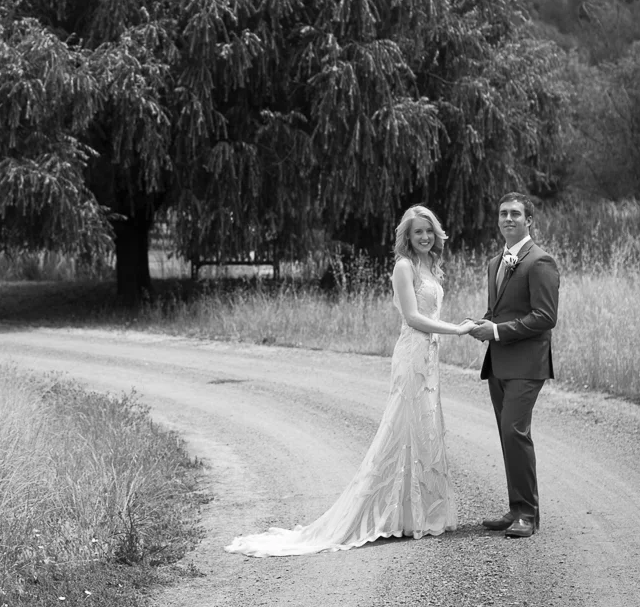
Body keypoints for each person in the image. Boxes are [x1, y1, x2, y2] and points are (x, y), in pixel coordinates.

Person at [225, 205, 475, 557]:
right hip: (412, 355)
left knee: (424, 429)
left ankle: (415, 515)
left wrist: (455, 329)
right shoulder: (403, 267)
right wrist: (457, 330)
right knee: (401, 429)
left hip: (429, 357)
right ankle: (385, 512)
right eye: (418, 231)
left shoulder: (430, 267)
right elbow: (413, 317)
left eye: (429, 231)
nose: (424, 237)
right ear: (407, 235)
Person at [466, 191, 559, 539]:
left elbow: (545, 318)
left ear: (529, 220)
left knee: (514, 432)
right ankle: (515, 508)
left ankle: (529, 515)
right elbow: (497, 313)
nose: (508, 219)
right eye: (503, 213)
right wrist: (479, 325)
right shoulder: (494, 262)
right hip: (499, 362)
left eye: (515, 214)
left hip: (527, 364)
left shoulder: (540, 262)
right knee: (508, 437)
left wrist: (498, 331)